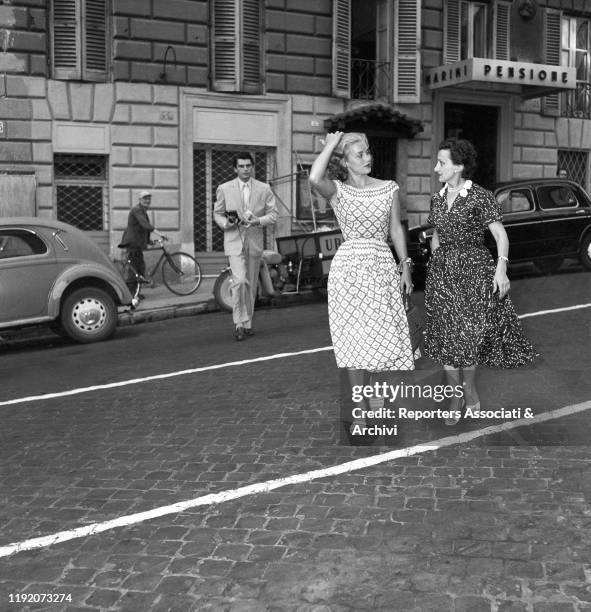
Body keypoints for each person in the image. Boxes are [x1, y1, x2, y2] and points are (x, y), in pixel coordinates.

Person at [425, 138, 538, 425]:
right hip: (443, 275)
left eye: (442, 162)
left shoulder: (480, 196)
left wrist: (501, 270)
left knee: (469, 336)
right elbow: (436, 234)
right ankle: (454, 396)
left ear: (459, 166)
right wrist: (437, 260)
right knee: (448, 337)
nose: (437, 167)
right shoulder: (437, 199)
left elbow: (500, 236)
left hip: (475, 273)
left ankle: (469, 388)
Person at [309, 132, 414, 432]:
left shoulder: (388, 188)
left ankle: (374, 395)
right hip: (348, 272)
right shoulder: (337, 190)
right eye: (359, 154)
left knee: (380, 336)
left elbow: (395, 229)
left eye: (368, 152)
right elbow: (315, 176)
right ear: (345, 161)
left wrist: (404, 265)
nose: (368, 158)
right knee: (355, 340)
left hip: (381, 266)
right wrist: (331, 144)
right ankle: (359, 404)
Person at [213, 153, 278, 341]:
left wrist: (258, 220)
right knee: (240, 282)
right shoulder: (224, 189)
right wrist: (226, 224)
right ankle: (239, 324)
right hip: (234, 242)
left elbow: (274, 215)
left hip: (254, 242)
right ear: (235, 168)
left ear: (253, 167)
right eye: (241, 166)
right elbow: (217, 213)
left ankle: (247, 324)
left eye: (248, 165)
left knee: (250, 284)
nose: (245, 169)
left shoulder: (264, 188)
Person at [118, 190, 155, 296]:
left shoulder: (143, 212)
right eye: (144, 198)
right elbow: (145, 225)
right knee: (133, 270)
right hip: (132, 243)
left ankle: (136, 293)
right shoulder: (136, 210)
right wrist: (159, 233)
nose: (147, 201)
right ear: (140, 200)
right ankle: (131, 294)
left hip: (137, 244)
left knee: (140, 268)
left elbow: (143, 229)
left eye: (148, 199)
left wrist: (149, 241)